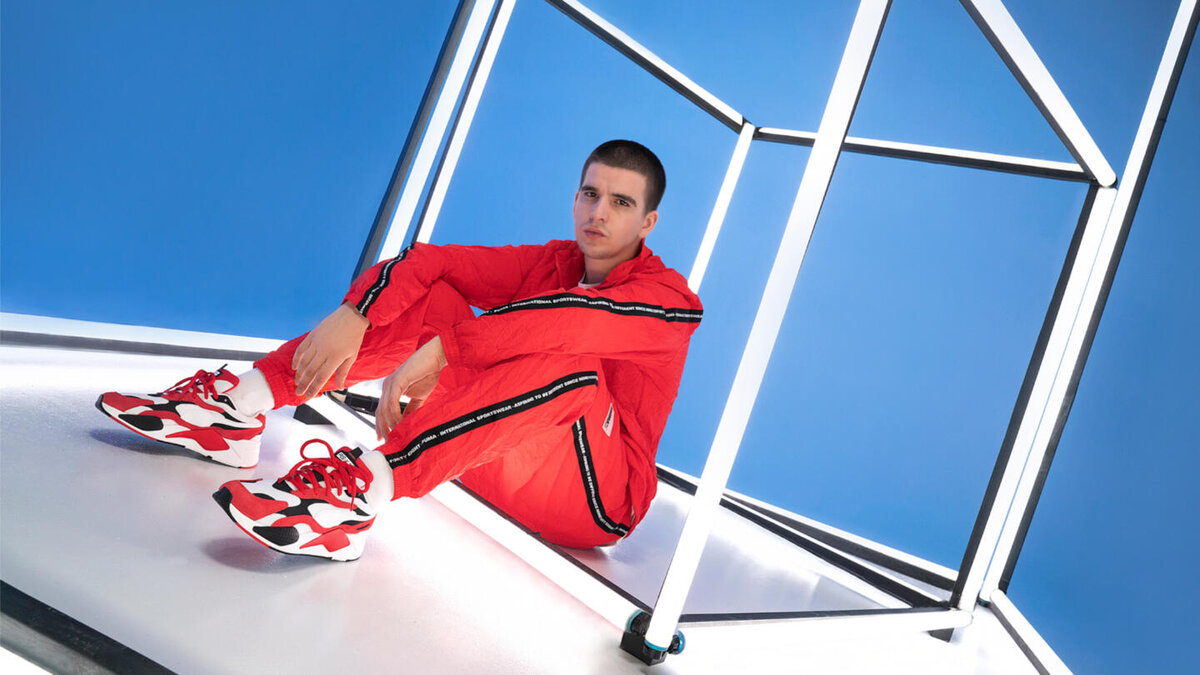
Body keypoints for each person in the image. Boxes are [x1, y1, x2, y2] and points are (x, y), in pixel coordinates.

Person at [97, 140, 703, 561]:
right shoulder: (551, 261)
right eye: (590, 194)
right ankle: (239, 406)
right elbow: (434, 262)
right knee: (433, 294)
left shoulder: (670, 304)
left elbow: (570, 323)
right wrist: (356, 312)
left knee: (573, 365)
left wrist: (444, 351)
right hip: (482, 456)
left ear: (648, 223)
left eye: (621, 203)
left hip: (591, 500)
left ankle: (359, 495)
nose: (598, 213)